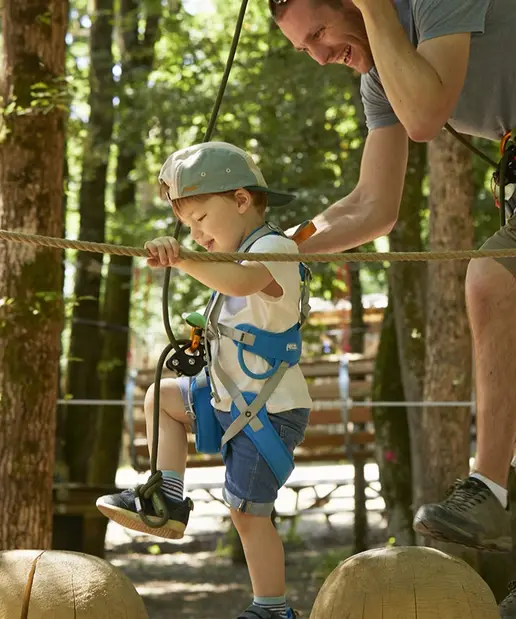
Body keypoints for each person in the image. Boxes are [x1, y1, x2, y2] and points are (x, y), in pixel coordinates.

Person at [269, 0, 516, 617]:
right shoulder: (383, 75)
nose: (321, 55)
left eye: (320, 31)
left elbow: (427, 116)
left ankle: (484, 485)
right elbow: (373, 205)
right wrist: (274, 250)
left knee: (487, 280)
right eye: (304, 48)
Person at [96, 141, 313, 619]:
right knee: (163, 398)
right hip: (231, 396)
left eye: (201, 219)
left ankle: (272, 609)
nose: (196, 233)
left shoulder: (276, 248)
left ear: (240, 200)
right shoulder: (234, 259)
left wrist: (181, 259)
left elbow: (240, 283)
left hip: (268, 410)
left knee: (248, 513)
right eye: (188, 226)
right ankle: (167, 496)